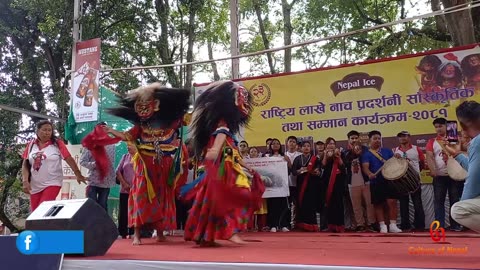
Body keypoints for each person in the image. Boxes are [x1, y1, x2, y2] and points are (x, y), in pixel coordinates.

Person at [104, 83, 191, 245]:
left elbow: (185, 120)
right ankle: (136, 233)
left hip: (164, 164)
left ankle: (159, 232)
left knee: (162, 197)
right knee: (141, 195)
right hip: (144, 165)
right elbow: (126, 136)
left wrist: (183, 114)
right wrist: (111, 130)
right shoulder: (140, 127)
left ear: (157, 105)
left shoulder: (169, 123)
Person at [182, 80, 264, 247]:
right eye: (243, 99)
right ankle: (230, 232)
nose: (246, 103)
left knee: (215, 202)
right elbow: (216, 148)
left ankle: (206, 236)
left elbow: (232, 153)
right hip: (223, 171)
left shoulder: (227, 129)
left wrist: (247, 167)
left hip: (226, 168)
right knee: (234, 197)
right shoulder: (223, 127)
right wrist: (210, 156)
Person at [21, 120, 86, 211]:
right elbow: (25, 164)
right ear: (37, 131)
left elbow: (68, 158)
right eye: (44, 130)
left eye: (49, 130)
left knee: (43, 209)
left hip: (53, 182)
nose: (47, 133)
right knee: (35, 214)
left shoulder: (57, 144)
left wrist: (78, 173)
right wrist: (25, 181)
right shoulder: (31, 144)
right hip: (35, 185)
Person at [445, 101, 480, 232]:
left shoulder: (477, 142)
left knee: (459, 210)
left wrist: (464, 202)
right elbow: (475, 169)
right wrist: (457, 154)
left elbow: (474, 178)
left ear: (462, 125)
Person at [426, 118, 463, 231]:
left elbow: (459, 153)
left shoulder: (454, 139)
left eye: (440, 126)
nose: (438, 129)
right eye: (436, 127)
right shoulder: (432, 141)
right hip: (439, 176)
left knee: (455, 200)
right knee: (438, 201)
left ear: (446, 126)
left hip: (454, 174)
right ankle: (439, 226)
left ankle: (455, 225)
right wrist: (433, 170)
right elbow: (429, 156)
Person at [361, 130, 402, 233]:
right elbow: (365, 167)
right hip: (376, 182)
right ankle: (382, 225)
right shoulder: (366, 154)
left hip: (389, 180)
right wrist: (369, 174)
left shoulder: (387, 151)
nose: (377, 140)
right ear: (370, 140)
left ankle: (393, 225)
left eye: (379, 138)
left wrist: (396, 157)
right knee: (378, 204)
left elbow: (394, 163)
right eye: (375, 138)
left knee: (392, 202)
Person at [343, 130, 375, 232]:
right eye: (352, 138)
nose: (354, 140)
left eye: (356, 138)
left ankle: (371, 224)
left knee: (369, 204)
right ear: (348, 140)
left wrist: (360, 153)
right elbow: (346, 163)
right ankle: (360, 224)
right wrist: (354, 152)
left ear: (359, 139)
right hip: (352, 182)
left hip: (365, 180)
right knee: (356, 205)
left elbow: (368, 162)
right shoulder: (345, 152)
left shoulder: (366, 150)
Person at [80, 123, 117, 212]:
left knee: (103, 206)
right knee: (91, 205)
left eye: (105, 129)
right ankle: (91, 225)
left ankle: (103, 225)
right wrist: (95, 164)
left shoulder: (112, 145)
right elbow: (82, 161)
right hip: (93, 181)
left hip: (106, 181)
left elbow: (111, 162)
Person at [393, 131, 426, 231]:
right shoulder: (395, 150)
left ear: (409, 137)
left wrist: (414, 174)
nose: (402, 138)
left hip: (414, 180)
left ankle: (420, 226)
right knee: (403, 204)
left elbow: (422, 164)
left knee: (417, 203)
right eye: (400, 137)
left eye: (404, 136)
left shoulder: (417, 149)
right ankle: (405, 226)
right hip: (401, 182)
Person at [293, 141, 322, 231]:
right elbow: (293, 172)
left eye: (308, 146)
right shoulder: (297, 159)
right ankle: (301, 225)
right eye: (304, 146)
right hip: (301, 185)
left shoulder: (315, 159)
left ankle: (312, 225)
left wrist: (316, 171)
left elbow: (319, 170)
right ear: (300, 148)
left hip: (312, 185)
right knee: (301, 205)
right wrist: (300, 170)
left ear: (311, 148)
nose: (306, 148)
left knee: (311, 204)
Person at [322, 138, 347, 233]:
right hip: (327, 183)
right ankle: (331, 225)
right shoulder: (323, 154)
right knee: (330, 204)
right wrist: (325, 155)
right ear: (326, 145)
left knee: (339, 203)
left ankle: (340, 225)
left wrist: (338, 156)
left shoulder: (341, 153)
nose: (331, 145)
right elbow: (322, 166)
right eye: (329, 143)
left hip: (338, 182)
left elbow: (343, 167)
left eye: (332, 143)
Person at [116, 143, 136, 239]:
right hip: (124, 189)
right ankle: (122, 232)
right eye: (127, 145)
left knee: (135, 211)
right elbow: (118, 171)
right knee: (123, 211)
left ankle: (133, 232)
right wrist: (124, 183)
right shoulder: (125, 156)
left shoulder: (140, 157)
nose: (128, 147)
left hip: (136, 190)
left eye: (130, 145)